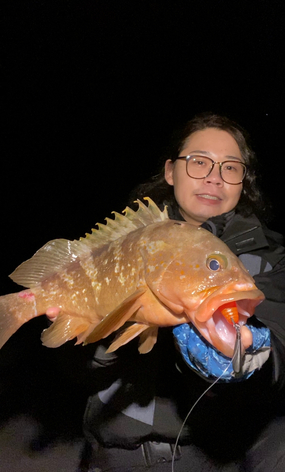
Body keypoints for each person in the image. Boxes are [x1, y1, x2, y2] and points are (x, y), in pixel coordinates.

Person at [49, 113, 285, 471]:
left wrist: (254, 359)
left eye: (230, 167)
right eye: (199, 162)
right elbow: (74, 372)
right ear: (171, 171)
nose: (213, 176)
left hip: (209, 458)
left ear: (242, 182)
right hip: (112, 454)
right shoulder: (123, 244)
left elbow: (277, 351)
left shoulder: (268, 257)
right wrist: (96, 333)